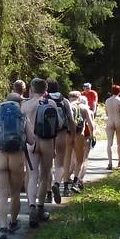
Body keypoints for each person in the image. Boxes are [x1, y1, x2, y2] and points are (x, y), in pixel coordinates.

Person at [0, 86, 34, 239]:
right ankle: (13, 222)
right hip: (17, 158)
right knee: (15, 195)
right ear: (19, 103)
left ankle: (2, 227)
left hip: (0, 157)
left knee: (2, 196)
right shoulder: (23, 116)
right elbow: (32, 141)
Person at [22, 77, 58, 228]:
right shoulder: (51, 103)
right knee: (45, 175)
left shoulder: (25, 105)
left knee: (32, 175)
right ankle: (41, 208)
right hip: (47, 142)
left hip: (31, 143)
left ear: (31, 89)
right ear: (45, 90)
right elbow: (58, 124)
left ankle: (31, 207)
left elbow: (22, 125)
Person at [46, 78, 73, 206]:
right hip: (61, 133)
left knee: (47, 165)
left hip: (46, 136)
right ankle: (57, 183)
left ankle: (48, 193)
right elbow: (71, 120)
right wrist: (72, 134)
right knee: (60, 163)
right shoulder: (64, 100)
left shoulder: (43, 100)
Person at [63, 91, 92, 195]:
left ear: (69, 97)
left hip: (67, 134)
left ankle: (65, 186)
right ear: (79, 97)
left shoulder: (66, 105)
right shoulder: (84, 107)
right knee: (79, 160)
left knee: (67, 160)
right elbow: (90, 124)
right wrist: (92, 135)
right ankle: (75, 183)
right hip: (79, 135)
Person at [103, 84, 120, 170]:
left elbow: (107, 113)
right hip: (118, 120)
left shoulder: (107, 101)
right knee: (119, 143)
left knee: (109, 143)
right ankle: (119, 161)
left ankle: (110, 163)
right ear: (119, 92)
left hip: (110, 121)